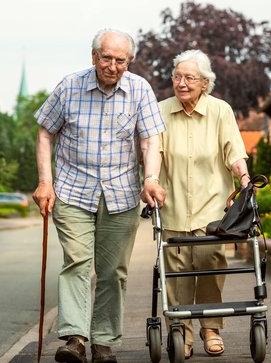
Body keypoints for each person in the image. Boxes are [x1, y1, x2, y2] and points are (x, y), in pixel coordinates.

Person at [32, 29, 166, 363]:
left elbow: (150, 141)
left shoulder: (139, 90)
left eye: (121, 60)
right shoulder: (69, 87)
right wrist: (45, 182)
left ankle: (103, 341)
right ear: (94, 57)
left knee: (113, 272)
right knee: (77, 261)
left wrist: (150, 178)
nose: (113, 66)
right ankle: (75, 338)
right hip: (73, 191)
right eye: (106, 58)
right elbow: (45, 132)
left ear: (129, 61)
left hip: (120, 196)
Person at [158, 49, 251, 359]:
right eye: (177, 76)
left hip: (211, 211)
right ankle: (181, 333)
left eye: (189, 78)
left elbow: (234, 151)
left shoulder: (220, 111)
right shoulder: (160, 111)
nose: (181, 83)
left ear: (204, 82)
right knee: (176, 274)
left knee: (210, 266)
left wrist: (244, 178)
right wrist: (149, 182)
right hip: (172, 208)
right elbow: (152, 156)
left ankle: (211, 328)